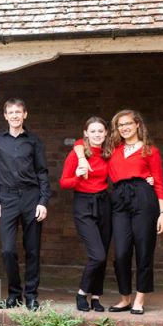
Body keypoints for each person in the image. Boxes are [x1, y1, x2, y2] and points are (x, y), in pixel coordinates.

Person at [82, 110, 163, 315]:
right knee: (121, 252)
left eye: (128, 123)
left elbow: (159, 182)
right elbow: (83, 143)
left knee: (144, 250)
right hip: (119, 198)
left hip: (144, 197)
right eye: (120, 125)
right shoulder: (112, 150)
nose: (125, 128)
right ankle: (124, 298)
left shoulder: (150, 150)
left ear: (137, 124)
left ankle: (139, 299)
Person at [0, 99, 50, 310]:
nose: (15, 115)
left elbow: (42, 172)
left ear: (25, 114)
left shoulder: (34, 141)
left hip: (31, 197)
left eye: (18, 112)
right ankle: (14, 294)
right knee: (7, 250)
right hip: (6, 198)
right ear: (5, 116)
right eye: (11, 112)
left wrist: (43, 201)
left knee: (32, 249)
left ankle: (32, 295)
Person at [60, 116, 111, 313]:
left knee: (104, 253)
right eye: (93, 131)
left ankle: (96, 297)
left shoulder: (109, 152)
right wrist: (78, 176)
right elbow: (64, 182)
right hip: (83, 204)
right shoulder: (77, 154)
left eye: (100, 131)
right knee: (96, 254)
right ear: (85, 133)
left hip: (104, 203)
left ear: (106, 133)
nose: (97, 135)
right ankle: (82, 293)